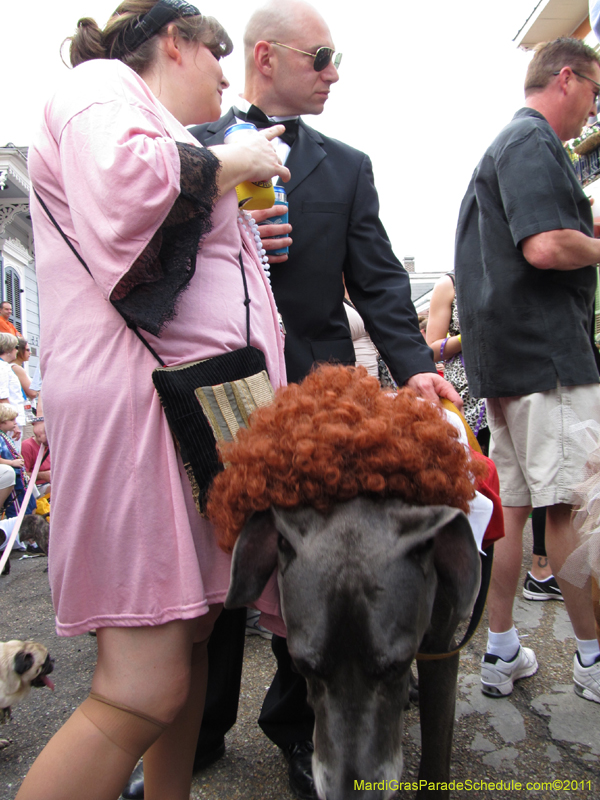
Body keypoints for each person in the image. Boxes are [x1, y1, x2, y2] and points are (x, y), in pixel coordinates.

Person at [168, 4, 462, 800]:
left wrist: (414, 370)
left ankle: (302, 729)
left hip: (319, 405)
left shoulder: (348, 164)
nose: (336, 73)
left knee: (330, 579)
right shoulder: (188, 146)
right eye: (323, 56)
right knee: (222, 562)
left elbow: (377, 280)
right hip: (219, 386)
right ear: (267, 56)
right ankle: (195, 734)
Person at [20, 2, 288, 799]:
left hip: (182, 413)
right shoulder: (103, 84)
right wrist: (234, 161)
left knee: (197, 640)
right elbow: (125, 187)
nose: (225, 78)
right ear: (176, 40)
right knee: (138, 688)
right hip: (143, 413)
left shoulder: (137, 113)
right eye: (218, 57)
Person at [455, 37, 600, 703]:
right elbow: (545, 246)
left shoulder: (502, 148)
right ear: (565, 78)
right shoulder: (534, 140)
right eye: (594, 93)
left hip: (504, 365)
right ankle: (594, 660)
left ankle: (502, 649)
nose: (591, 111)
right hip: (548, 357)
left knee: (512, 511)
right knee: (569, 505)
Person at [426, 272, 490, 453]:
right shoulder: (450, 284)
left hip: (511, 384)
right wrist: (469, 337)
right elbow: (432, 349)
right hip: (467, 392)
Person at [0, 403, 36, 517]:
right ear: (2, 422)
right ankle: (19, 533)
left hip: (21, 479)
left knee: (30, 505)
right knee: (18, 511)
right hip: (14, 483)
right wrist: (11, 463)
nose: (15, 422)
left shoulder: (5, 435)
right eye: (11, 420)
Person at [0, 332, 25, 447]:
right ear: (8, 349)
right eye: (16, 347)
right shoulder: (2, 368)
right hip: (8, 422)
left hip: (8, 421)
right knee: (12, 455)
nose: (17, 351)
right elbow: (3, 398)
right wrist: (14, 424)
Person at [21, 417, 51, 496]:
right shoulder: (27, 446)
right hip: (37, 486)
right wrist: (43, 475)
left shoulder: (54, 445)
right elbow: (23, 474)